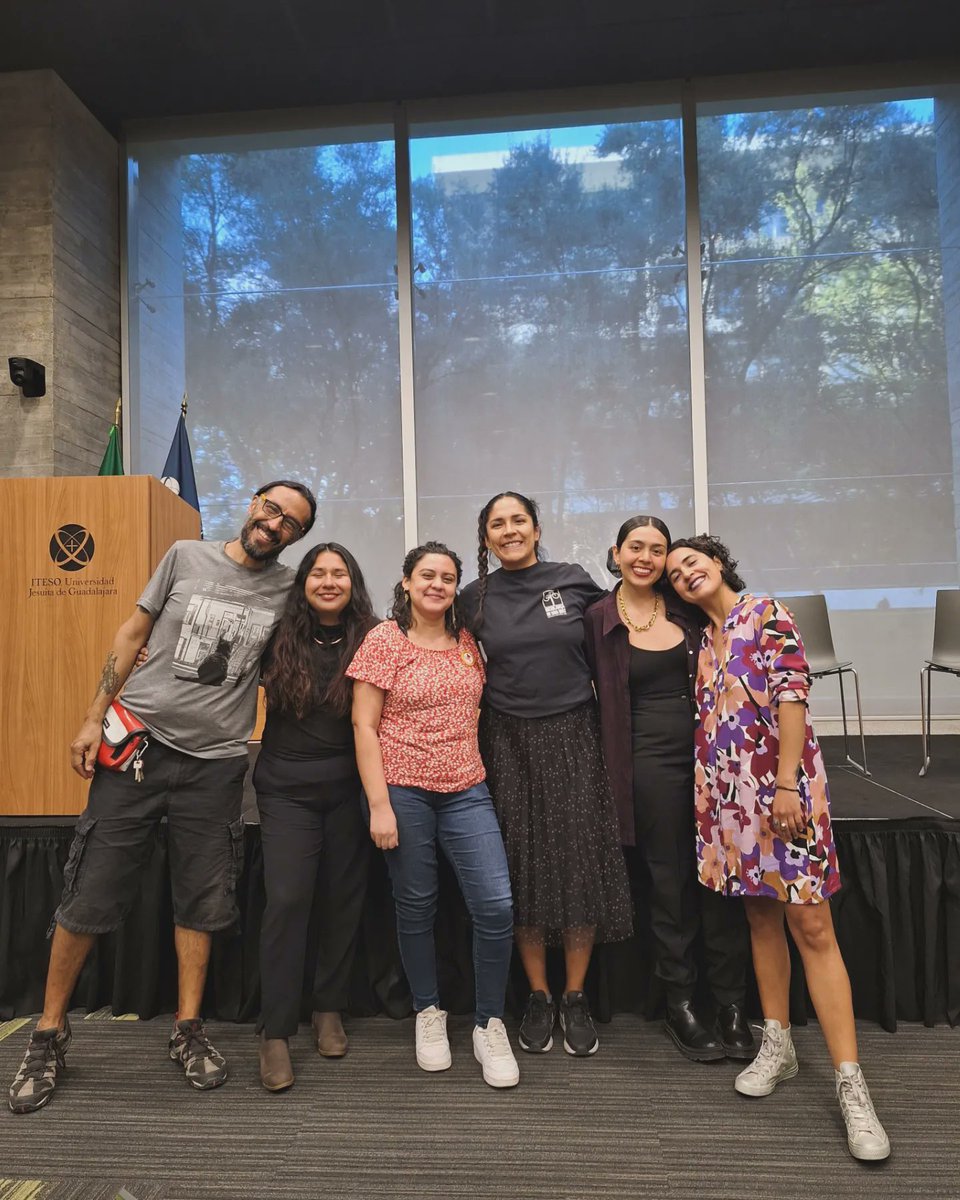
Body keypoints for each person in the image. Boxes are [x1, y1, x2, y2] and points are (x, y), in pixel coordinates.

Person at [9, 481, 317, 1114]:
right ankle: (47, 1032)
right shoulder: (183, 555)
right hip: (138, 749)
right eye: (271, 508)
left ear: (294, 538)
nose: (275, 523)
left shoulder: (289, 590)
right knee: (90, 889)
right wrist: (94, 715)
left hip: (216, 767)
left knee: (201, 900)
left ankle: (188, 1029)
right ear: (254, 503)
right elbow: (130, 635)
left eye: (290, 522)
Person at [665, 534, 890, 1161]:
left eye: (695, 562)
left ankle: (852, 1085)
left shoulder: (767, 612)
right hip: (727, 808)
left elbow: (793, 695)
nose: (686, 573)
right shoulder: (701, 642)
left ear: (719, 564)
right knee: (760, 919)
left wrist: (787, 783)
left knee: (811, 927)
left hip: (783, 797)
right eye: (676, 571)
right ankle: (779, 1044)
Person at [460, 493, 632, 1058]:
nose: (509, 530)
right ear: (486, 538)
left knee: (577, 858)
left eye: (518, 521)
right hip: (505, 740)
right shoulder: (473, 598)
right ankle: (537, 994)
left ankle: (575, 995)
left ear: (536, 529)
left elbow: (624, 620)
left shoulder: (573, 579)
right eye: (497, 524)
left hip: (574, 733)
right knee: (522, 863)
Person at [347, 541, 518, 1089]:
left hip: (466, 788)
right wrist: (379, 806)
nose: (437, 585)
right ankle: (429, 1011)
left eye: (447, 577)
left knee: (495, 906)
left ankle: (489, 1023)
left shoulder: (468, 641)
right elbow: (363, 726)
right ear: (405, 582)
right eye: (427, 575)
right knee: (416, 904)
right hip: (403, 791)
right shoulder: (383, 639)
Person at [583, 516, 753, 1062]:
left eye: (658, 550)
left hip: (715, 765)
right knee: (669, 884)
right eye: (636, 547)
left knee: (721, 883)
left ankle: (730, 1003)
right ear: (616, 553)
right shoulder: (597, 620)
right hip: (647, 769)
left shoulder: (688, 610)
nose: (647, 557)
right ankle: (681, 1002)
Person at [254, 542, 377, 1091]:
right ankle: (276, 1031)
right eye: (318, 573)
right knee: (286, 901)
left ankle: (329, 1007)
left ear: (353, 582)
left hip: (352, 789)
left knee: (343, 900)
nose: (329, 581)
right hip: (286, 790)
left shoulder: (375, 635)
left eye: (340, 573)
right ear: (302, 582)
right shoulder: (274, 633)